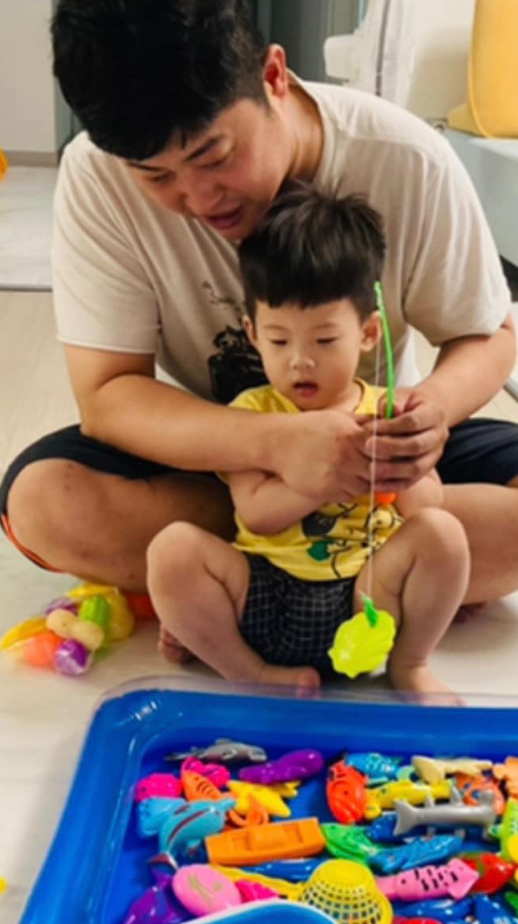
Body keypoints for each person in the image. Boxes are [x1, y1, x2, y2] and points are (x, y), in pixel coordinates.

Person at [0, 0, 518, 655]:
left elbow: (488, 335)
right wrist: (274, 446)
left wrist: (426, 416)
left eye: (213, 156)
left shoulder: (404, 157)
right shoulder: (96, 178)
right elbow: (109, 395)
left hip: (379, 466)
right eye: (156, 177)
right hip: (225, 459)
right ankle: (380, 587)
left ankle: (242, 594)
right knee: (44, 502)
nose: (197, 198)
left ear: (273, 77)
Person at [148, 187, 469, 694]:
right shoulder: (253, 414)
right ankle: (247, 671)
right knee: (172, 551)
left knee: (444, 533)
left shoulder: (386, 410)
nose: (300, 360)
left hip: (369, 596)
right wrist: (321, 478)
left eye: (324, 340)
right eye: (279, 340)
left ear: (368, 334)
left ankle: (411, 664)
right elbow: (257, 513)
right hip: (265, 591)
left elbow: (427, 508)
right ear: (253, 334)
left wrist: (401, 468)